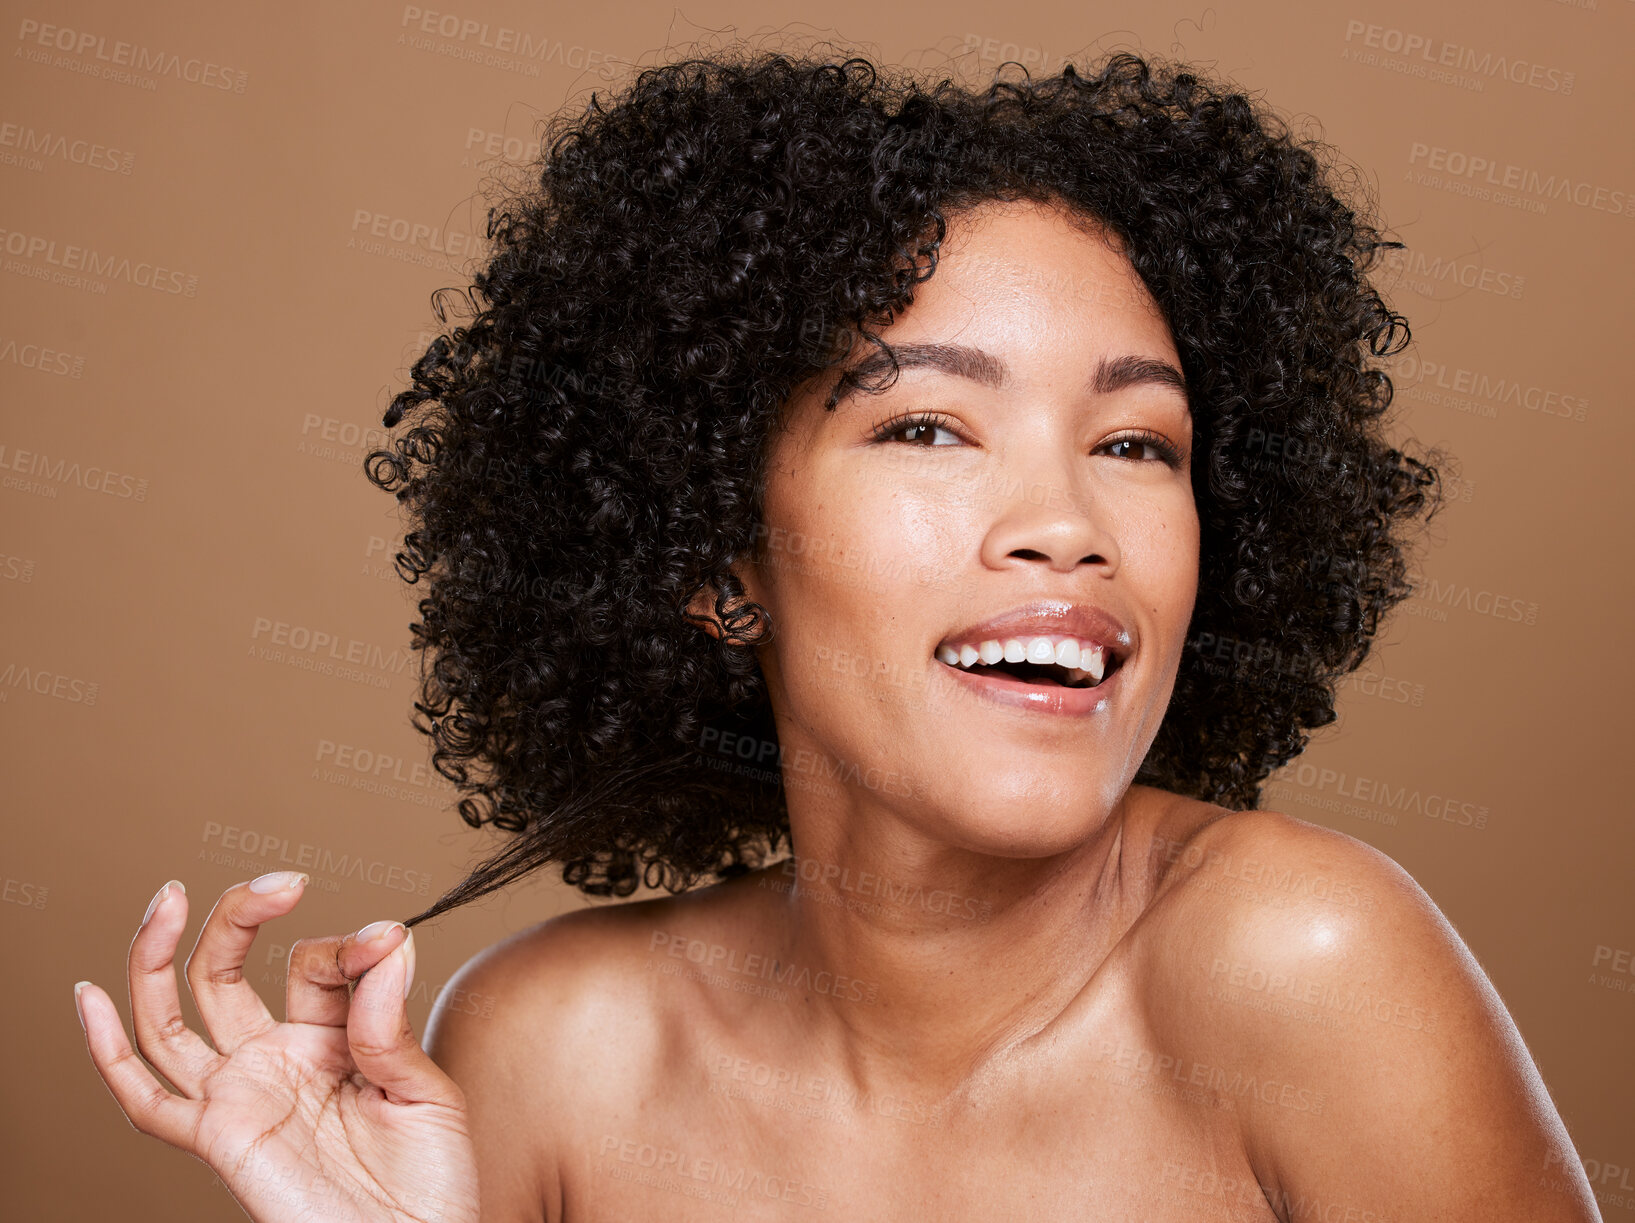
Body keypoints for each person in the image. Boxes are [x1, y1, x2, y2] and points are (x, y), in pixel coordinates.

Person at [72, 46, 1602, 1221]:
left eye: (1138, 445)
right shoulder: (551, 1049)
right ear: (715, 555)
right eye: (931, 427)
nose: (1065, 521)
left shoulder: (1305, 969)